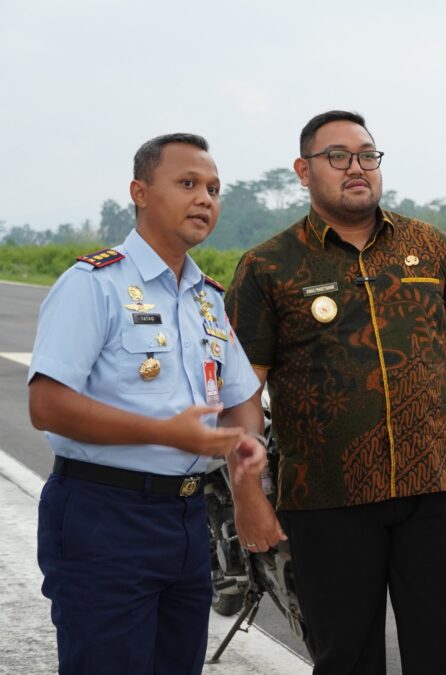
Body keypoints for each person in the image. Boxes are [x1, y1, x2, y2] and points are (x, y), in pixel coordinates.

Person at [225, 110, 446, 675]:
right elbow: (241, 389)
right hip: (328, 500)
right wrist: (248, 493)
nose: (357, 168)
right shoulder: (269, 266)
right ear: (304, 170)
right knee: (345, 658)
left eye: (367, 155)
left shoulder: (429, 246)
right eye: (338, 157)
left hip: (434, 490)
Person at [28, 133, 267, 675]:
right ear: (139, 192)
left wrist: (245, 453)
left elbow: (242, 398)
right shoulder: (94, 285)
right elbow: (46, 405)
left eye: (213, 188)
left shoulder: (207, 297)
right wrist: (166, 433)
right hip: (102, 514)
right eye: (187, 184)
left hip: (185, 518)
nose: (204, 199)